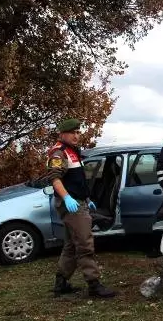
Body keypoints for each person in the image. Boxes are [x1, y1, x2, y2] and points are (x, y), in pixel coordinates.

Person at [45, 118, 117, 298]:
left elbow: (76, 180)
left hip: (79, 201)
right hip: (72, 206)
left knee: (70, 245)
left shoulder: (73, 152)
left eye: (78, 132)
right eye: (73, 133)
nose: (76, 136)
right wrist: (67, 198)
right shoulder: (58, 153)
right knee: (85, 244)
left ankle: (60, 283)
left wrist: (86, 198)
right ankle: (94, 285)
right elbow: (55, 179)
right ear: (62, 134)